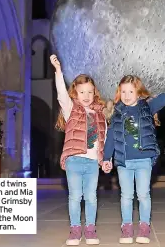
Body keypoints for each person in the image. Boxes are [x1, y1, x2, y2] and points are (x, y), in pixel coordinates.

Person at [102, 73, 165, 244]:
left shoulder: (147, 107)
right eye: (123, 92)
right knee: (126, 195)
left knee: (143, 194)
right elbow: (110, 137)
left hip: (144, 159)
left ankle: (144, 226)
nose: (126, 96)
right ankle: (127, 227)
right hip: (124, 161)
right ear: (119, 93)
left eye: (130, 92)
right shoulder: (117, 113)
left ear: (138, 93)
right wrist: (106, 158)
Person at [50, 54, 107, 246]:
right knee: (75, 196)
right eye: (82, 92)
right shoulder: (70, 109)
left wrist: (104, 159)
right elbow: (61, 95)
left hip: (92, 163)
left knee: (91, 196)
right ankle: (75, 230)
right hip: (74, 160)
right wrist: (59, 71)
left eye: (90, 92)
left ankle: (90, 229)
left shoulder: (99, 114)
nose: (86, 96)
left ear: (94, 93)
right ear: (75, 93)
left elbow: (103, 139)